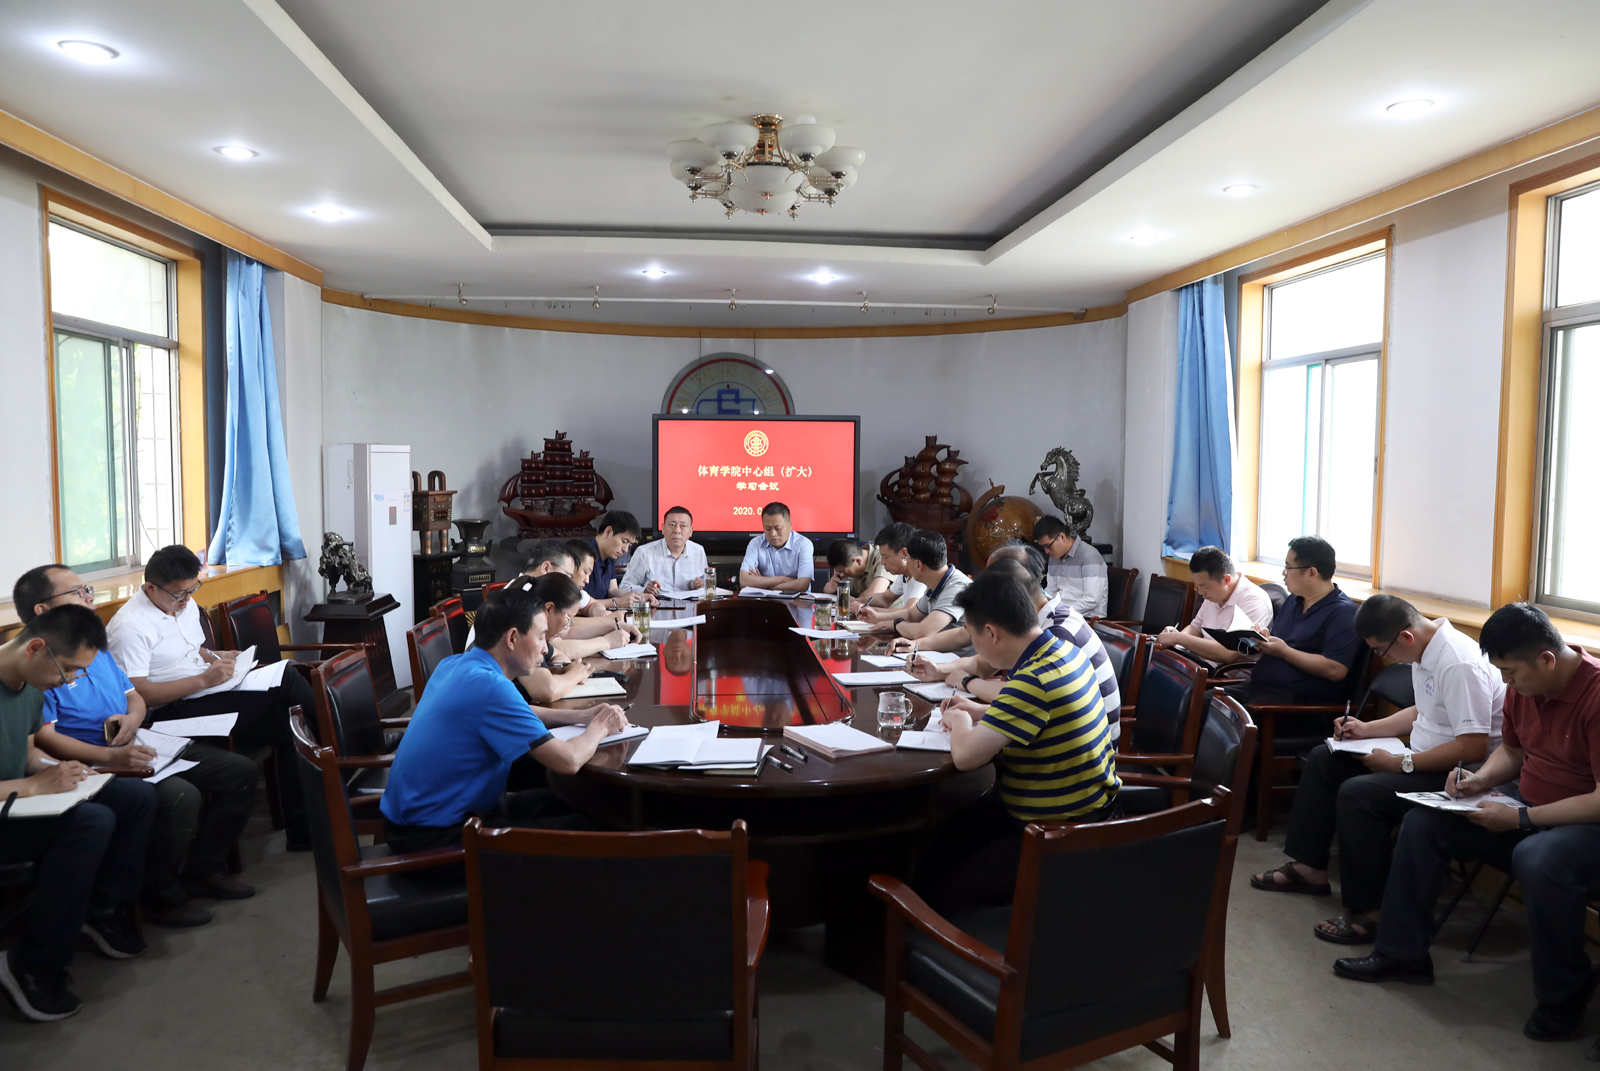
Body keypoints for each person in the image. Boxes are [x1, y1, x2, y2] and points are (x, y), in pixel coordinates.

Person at [1333, 604, 1600, 1043]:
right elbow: (1512, 751)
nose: (1506, 683)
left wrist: (1521, 817)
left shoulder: (1593, 696)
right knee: (1425, 823)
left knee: (1539, 859)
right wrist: (1480, 780)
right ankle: (1402, 954)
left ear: (1546, 660)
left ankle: (1563, 996)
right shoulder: (1524, 685)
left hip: (1583, 825)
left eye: (1510, 673)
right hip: (1526, 806)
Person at [1250, 594, 1503, 946]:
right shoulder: (1424, 648)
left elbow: (1473, 747)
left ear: (1405, 637)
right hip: (1421, 756)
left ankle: (1370, 912)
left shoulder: (1459, 663)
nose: (1384, 657)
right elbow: (1424, 711)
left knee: (1359, 795)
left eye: (1381, 651)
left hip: (1459, 775)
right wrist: (1367, 729)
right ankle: (1309, 869)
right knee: (1326, 758)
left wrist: (1401, 763)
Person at [15, 565, 256, 929]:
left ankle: (204, 870)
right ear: (42, 609)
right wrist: (111, 755)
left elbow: (133, 695)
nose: (89, 599)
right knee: (180, 797)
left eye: (88, 590)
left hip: (136, 738)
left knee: (238, 771)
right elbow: (43, 736)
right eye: (78, 592)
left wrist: (132, 718)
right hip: (93, 756)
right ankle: (160, 897)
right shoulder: (39, 659)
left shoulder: (90, 643)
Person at [916, 570, 1119, 912]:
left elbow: (965, 756)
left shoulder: (1033, 680)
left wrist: (961, 719)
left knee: (933, 887)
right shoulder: (1063, 651)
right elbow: (1037, 714)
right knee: (943, 833)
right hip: (1087, 813)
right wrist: (979, 710)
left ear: (992, 633)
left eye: (973, 635)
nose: (974, 645)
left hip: (1054, 835)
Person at [379, 586, 629, 856]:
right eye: (541, 637)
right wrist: (601, 726)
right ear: (512, 638)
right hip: (437, 837)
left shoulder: (455, 664)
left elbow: (517, 710)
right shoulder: (491, 687)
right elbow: (569, 760)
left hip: (427, 818)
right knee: (594, 828)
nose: (545, 648)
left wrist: (581, 716)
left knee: (581, 799)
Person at [0, 604, 156, 1022]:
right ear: (35, 648)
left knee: (133, 798)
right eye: (67, 670)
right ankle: (33, 963)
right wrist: (31, 786)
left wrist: (62, 770)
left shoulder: (28, 684)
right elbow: (25, 778)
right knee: (90, 823)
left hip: (17, 800)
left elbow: (27, 754)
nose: (68, 681)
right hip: (10, 805)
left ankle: (101, 912)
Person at [105, 544, 315, 850]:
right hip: (169, 713)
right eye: (179, 594)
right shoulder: (130, 627)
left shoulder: (184, 604)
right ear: (150, 588)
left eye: (193, 589)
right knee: (287, 678)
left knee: (287, 725)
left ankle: (302, 831)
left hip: (206, 693)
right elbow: (137, 693)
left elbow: (193, 650)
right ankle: (345, 749)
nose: (186, 600)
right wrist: (203, 680)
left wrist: (219, 656)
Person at [912, 546, 1122, 740]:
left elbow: (1025, 694)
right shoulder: (1036, 621)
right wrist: (940, 671)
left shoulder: (1058, 633)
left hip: (1080, 742)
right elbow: (985, 665)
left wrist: (968, 682)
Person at [1226, 536, 1362, 708]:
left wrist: (1284, 652)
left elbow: (1335, 670)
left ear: (1311, 573)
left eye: (1288, 567)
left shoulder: (1343, 613)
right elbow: (1281, 642)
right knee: (1202, 700)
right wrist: (1264, 638)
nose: (1284, 573)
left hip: (1297, 704)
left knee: (1227, 717)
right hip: (1260, 688)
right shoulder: (1293, 600)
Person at [1155, 546, 1275, 666]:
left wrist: (1179, 638)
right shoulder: (1214, 594)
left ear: (1226, 580)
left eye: (1205, 586)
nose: (1200, 592)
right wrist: (1174, 637)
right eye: (1198, 585)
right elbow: (1195, 628)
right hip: (1201, 663)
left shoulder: (1254, 601)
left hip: (1225, 673)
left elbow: (1227, 654)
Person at [857, 529, 969, 642]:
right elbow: (911, 615)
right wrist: (876, 617)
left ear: (918, 565)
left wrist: (894, 624)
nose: (906, 563)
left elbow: (922, 632)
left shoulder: (957, 587)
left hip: (952, 653)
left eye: (907, 558)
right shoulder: (934, 583)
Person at [619, 506, 708, 596]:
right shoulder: (644, 552)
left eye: (683, 526)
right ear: (663, 528)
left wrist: (701, 585)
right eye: (672, 525)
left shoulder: (699, 551)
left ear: (691, 531)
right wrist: (645, 590)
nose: (677, 530)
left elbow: (707, 584)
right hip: (657, 603)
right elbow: (624, 587)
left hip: (690, 604)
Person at [1032, 515, 1108, 617]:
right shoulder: (1054, 557)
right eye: (1043, 547)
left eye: (1048, 546)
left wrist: (1061, 613)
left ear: (1062, 537)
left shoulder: (1090, 556)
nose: (1046, 551)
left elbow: (1091, 600)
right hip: (1061, 615)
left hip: (1087, 619)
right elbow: (1051, 590)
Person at [738, 502, 815, 592]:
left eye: (778, 528)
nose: (773, 534)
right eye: (768, 528)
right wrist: (783, 579)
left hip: (797, 599)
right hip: (764, 599)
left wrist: (761, 584)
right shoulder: (756, 543)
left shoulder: (803, 544)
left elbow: (802, 585)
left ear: (790, 525)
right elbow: (744, 581)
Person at [582, 510, 651, 606]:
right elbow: (578, 602)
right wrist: (618, 602)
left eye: (629, 545)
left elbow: (613, 590)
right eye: (624, 541)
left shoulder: (610, 556)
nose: (625, 549)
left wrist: (638, 597)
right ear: (608, 532)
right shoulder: (582, 555)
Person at [862, 522, 926, 609]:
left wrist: (870, 612)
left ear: (904, 553)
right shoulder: (904, 574)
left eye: (886, 557)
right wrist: (854, 601)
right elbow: (885, 599)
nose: (882, 562)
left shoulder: (922, 574)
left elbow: (909, 612)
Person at [822, 538, 893, 601]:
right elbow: (827, 589)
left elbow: (874, 593)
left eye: (844, 572)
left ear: (858, 561)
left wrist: (850, 601)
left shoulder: (883, 558)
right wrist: (831, 586)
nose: (842, 575)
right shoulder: (845, 563)